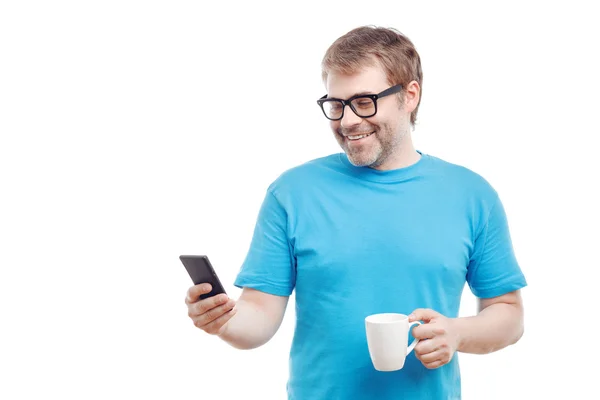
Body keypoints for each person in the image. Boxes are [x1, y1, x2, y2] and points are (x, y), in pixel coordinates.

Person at [185, 25, 527, 399]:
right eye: (337, 104)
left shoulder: (471, 194)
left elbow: (508, 314)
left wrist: (458, 333)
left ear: (410, 95)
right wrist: (223, 320)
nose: (347, 121)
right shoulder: (293, 193)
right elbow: (259, 317)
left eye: (364, 101)